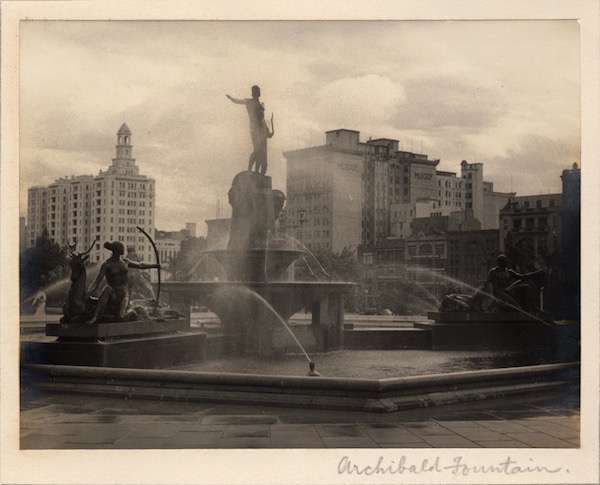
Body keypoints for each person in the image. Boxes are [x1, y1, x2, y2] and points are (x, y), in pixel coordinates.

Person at [85, 241, 160, 324]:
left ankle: (127, 313)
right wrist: (88, 292)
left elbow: (140, 265)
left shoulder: (125, 262)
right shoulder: (107, 265)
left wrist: (155, 265)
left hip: (124, 293)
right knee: (106, 289)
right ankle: (95, 316)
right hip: (112, 293)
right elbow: (96, 281)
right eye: (122, 248)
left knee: (120, 316)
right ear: (117, 250)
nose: (124, 250)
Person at [226, 85, 274, 175]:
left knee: (262, 153)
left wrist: (267, 130)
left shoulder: (262, 104)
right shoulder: (248, 102)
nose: (256, 92)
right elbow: (238, 101)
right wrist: (231, 98)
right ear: (252, 93)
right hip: (254, 129)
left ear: (259, 92)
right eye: (254, 91)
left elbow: (263, 119)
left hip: (262, 130)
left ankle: (257, 171)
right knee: (257, 150)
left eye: (257, 90)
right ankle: (249, 170)